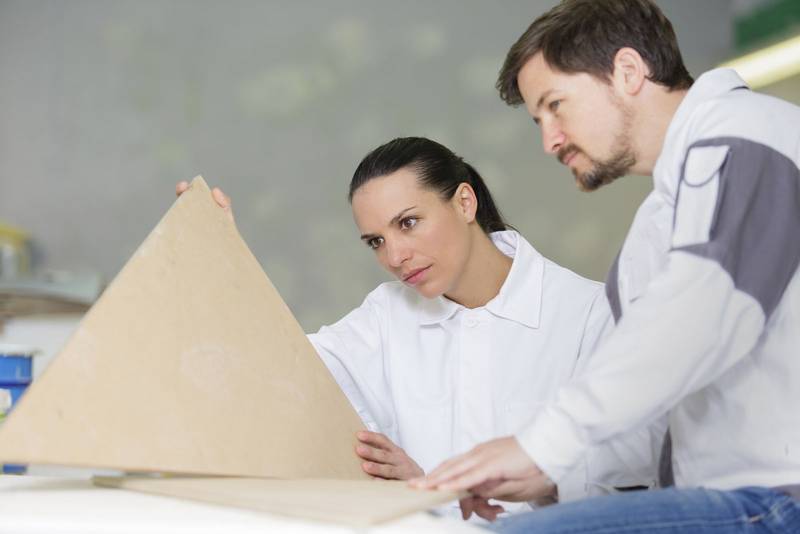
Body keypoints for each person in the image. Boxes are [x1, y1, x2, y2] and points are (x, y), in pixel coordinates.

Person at [411, 1, 800, 532]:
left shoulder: (746, 135)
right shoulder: (657, 224)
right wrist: (549, 474)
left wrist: (541, 445)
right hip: (733, 496)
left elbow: (698, 318)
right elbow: (659, 418)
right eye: (539, 120)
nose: (549, 141)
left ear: (628, 71)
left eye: (555, 106)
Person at [177, 136, 659, 520]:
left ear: (464, 203)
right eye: (375, 241)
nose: (394, 256)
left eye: (408, 223)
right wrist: (226, 268)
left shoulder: (589, 314)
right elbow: (284, 371)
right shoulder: (386, 316)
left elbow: (627, 483)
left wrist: (436, 491)